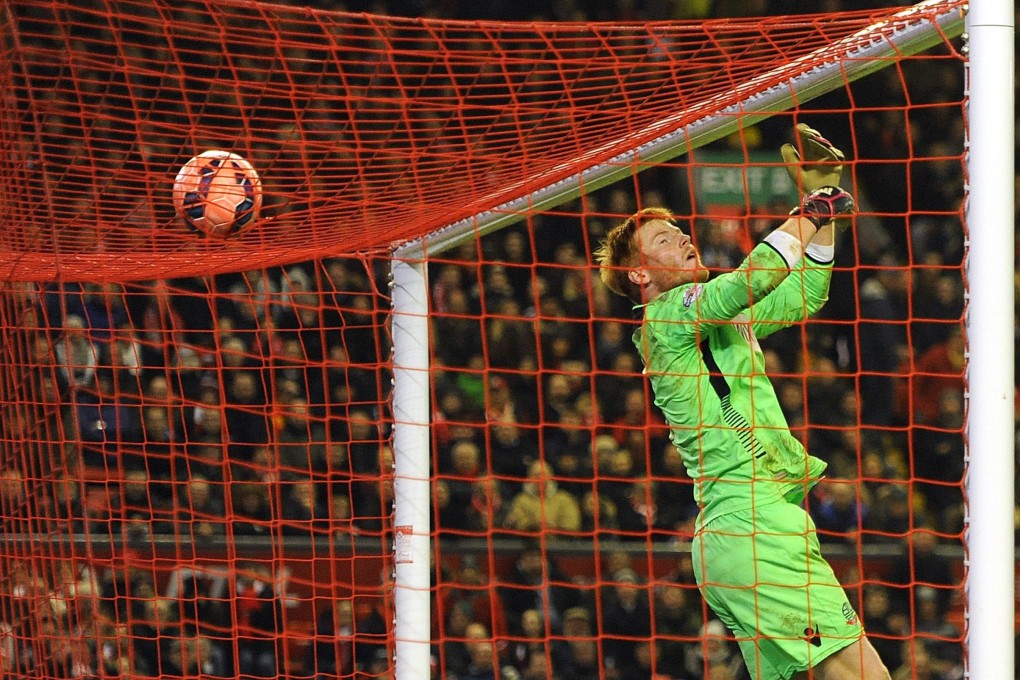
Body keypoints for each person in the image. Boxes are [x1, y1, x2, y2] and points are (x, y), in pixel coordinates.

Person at [594, 124, 889, 679]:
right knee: (864, 673)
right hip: (751, 524)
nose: (682, 238)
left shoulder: (718, 319)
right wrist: (814, 207)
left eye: (680, 230)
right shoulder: (668, 315)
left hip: (745, 529)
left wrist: (823, 210)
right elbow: (750, 279)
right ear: (638, 274)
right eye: (662, 239)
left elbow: (804, 291)